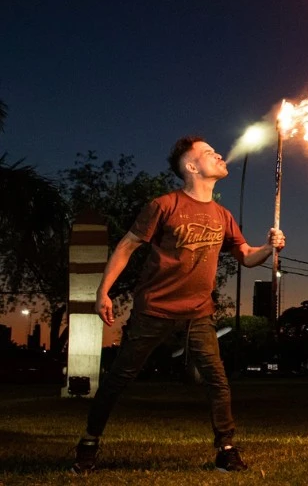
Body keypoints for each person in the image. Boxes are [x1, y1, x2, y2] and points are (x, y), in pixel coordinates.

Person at [72, 136, 286, 474]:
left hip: (199, 312)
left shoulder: (222, 214)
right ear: (190, 167)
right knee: (120, 377)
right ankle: (88, 442)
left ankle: (226, 448)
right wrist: (103, 292)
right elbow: (127, 247)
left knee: (217, 379)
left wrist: (269, 248)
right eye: (207, 153)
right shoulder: (164, 205)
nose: (218, 154)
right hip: (154, 309)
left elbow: (246, 257)